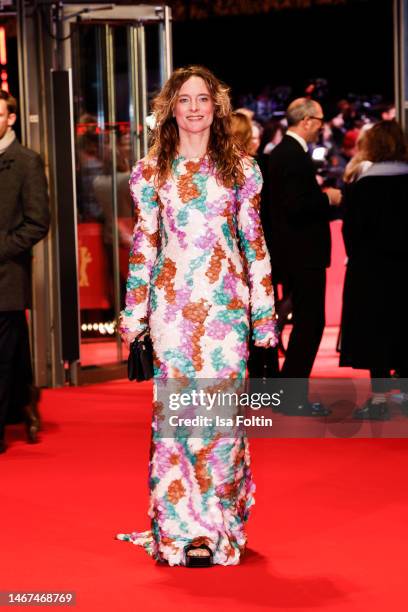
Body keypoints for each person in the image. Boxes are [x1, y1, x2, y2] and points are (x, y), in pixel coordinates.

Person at [117, 65, 278, 566]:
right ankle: (182, 529)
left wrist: (264, 317)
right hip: (170, 314)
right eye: (183, 99)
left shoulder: (242, 170)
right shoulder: (149, 172)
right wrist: (134, 319)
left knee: (221, 420)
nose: (193, 108)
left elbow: (254, 244)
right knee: (176, 421)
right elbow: (144, 247)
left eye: (202, 99)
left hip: (226, 313)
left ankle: (217, 524)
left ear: (216, 106)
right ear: (170, 108)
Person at [264, 98, 342, 416]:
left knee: (308, 323)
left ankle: (288, 392)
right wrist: (327, 198)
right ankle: (291, 395)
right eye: (320, 119)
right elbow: (296, 206)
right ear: (308, 120)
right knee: (310, 323)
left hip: (293, 251)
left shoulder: (285, 153)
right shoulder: (292, 155)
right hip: (302, 252)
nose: (323, 125)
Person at [340, 120, 408, 420]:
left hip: (370, 271)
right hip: (405, 269)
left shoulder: (363, 186)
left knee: (375, 331)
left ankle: (379, 399)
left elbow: (350, 232)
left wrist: (359, 258)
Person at [0, 90, 50, 453]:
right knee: (12, 356)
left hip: (7, 277)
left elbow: (37, 223)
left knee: (4, 357)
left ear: (11, 118)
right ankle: (25, 403)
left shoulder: (27, 162)